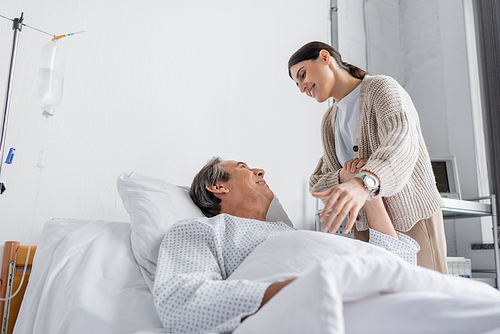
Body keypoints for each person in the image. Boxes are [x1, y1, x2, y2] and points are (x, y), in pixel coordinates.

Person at [151, 157, 425, 333]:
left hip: (396, 296)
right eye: (244, 168)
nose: (260, 170)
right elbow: (181, 300)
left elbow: (398, 259)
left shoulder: (288, 234)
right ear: (218, 187)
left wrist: (365, 192)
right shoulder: (202, 230)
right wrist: (310, 288)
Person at [288, 41, 447, 273]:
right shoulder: (329, 120)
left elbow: (401, 141)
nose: (302, 87)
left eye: (302, 75)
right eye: (297, 84)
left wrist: (364, 182)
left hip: (411, 218)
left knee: (429, 300)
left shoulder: (381, 88)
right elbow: (317, 183)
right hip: (364, 227)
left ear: (325, 57)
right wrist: (343, 176)